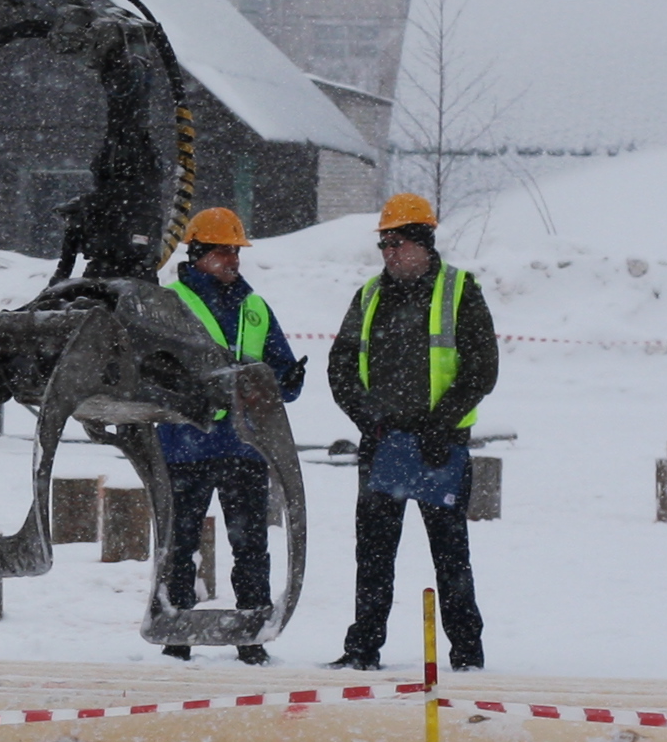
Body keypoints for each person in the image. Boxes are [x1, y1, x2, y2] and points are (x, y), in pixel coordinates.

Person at [326, 192, 497, 673]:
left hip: (440, 447)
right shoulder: (368, 296)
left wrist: (440, 424)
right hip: (384, 444)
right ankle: (362, 649)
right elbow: (339, 367)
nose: (389, 253)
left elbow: (482, 370)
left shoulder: (461, 291)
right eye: (383, 245)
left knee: (451, 556)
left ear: (424, 243)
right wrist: (370, 420)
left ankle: (467, 654)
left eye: (396, 243)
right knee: (374, 556)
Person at [153, 206, 304, 665]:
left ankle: (251, 630)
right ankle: (175, 630)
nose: (233, 259)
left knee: (250, 543)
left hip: (243, 447)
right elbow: (154, 372)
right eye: (224, 251)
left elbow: (281, 370)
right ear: (198, 253)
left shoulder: (255, 307)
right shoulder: (171, 302)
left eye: (235, 251)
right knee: (178, 542)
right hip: (186, 445)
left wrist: (287, 379)